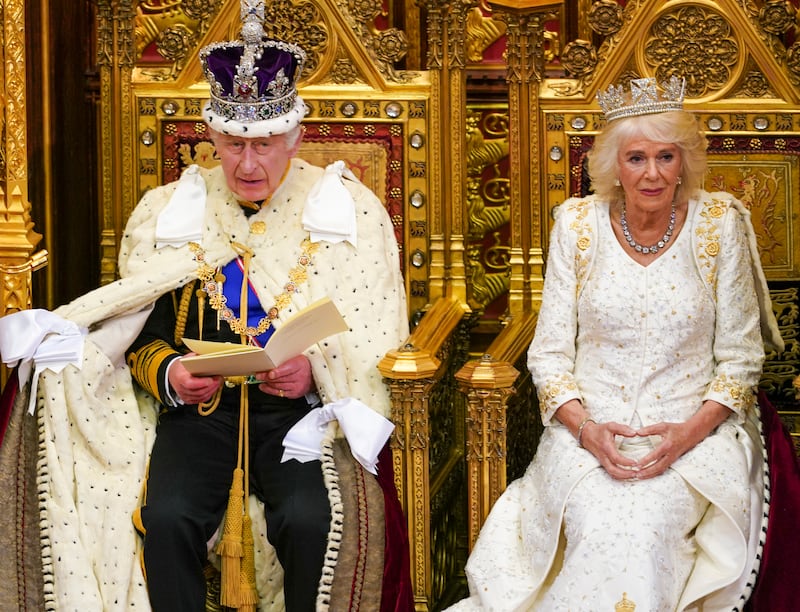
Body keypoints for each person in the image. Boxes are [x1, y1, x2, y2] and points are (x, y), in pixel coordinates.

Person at [0, 1, 412, 610]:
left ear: (295, 137)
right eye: (234, 143)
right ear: (213, 136)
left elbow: (372, 337)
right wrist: (170, 374)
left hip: (300, 417)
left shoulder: (347, 211)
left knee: (308, 521)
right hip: (196, 417)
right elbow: (136, 336)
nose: (249, 163)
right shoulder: (170, 212)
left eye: (267, 143)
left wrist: (315, 373)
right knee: (164, 519)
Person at [446, 76, 784, 611]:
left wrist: (683, 437)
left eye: (666, 157)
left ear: (684, 163)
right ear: (612, 166)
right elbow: (550, 355)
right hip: (589, 436)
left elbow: (741, 360)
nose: (652, 173)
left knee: (643, 531)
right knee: (599, 523)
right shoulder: (576, 226)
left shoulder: (718, 226)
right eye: (636, 158)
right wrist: (588, 432)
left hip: (693, 436)